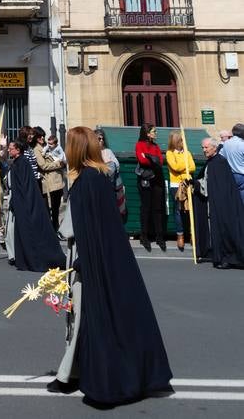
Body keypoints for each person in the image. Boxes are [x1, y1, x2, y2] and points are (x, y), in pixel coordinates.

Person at [48, 126, 172, 403]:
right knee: (84, 317)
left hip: (88, 257)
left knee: (84, 317)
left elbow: (81, 227)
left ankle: (87, 377)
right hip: (95, 255)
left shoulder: (87, 179)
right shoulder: (97, 176)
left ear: (76, 149)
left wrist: (82, 260)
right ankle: (70, 374)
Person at [7, 140, 65, 272]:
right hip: (20, 203)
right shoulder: (18, 162)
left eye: (11, 148)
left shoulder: (22, 163)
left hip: (24, 204)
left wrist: (20, 203)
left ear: (18, 150)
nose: (9, 150)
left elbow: (25, 186)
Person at [194, 137, 244, 269]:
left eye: (206, 147)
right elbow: (207, 182)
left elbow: (218, 186)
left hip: (224, 205)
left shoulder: (219, 163)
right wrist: (195, 183)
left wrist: (197, 184)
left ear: (214, 148)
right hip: (217, 203)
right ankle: (222, 257)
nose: (204, 150)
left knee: (226, 229)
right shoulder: (211, 162)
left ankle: (229, 258)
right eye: (203, 148)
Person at [135, 123, 166, 252]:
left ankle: (159, 236)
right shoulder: (139, 145)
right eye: (154, 131)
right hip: (145, 179)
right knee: (146, 208)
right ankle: (144, 236)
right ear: (147, 133)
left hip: (157, 178)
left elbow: (160, 161)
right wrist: (152, 159)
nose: (156, 133)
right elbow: (142, 161)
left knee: (157, 208)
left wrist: (149, 157)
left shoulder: (156, 146)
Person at [165, 132, 196, 251]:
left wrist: (183, 165)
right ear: (175, 142)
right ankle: (180, 235)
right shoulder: (169, 153)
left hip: (188, 184)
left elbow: (192, 167)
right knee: (178, 211)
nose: (183, 143)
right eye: (181, 141)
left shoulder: (187, 152)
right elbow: (175, 167)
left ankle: (192, 234)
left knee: (190, 210)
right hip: (176, 186)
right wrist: (186, 163)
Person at [96, 128, 127, 222]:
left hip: (110, 186)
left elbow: (116, 165)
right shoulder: (91, 153)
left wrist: (104, 167)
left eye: (102, 139)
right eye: (99, 139)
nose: (101, 141)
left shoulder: (107, 151)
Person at [220, 123, 244, 204]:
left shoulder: (226, 143)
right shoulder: (242, 144)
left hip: (230, 175)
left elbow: (220, 156)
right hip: (242, 175)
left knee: (233, 200)